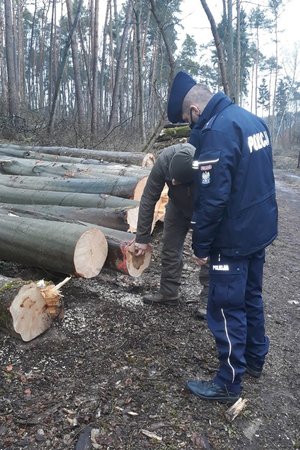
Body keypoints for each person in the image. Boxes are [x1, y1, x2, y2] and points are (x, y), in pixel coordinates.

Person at [167, 71, 278, 403]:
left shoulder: (217, 132)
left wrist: (201, 244)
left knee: (226, 308)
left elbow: (213, 198)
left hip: (233, 238)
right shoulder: (251, 120)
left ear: (195, 111)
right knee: (251, 297)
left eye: (188, 121)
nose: (191, 128)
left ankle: (229, 382)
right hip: (258, 231)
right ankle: (255, 359)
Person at [134, 142, 199, 306]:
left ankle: (209, 300)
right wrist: (142, 237)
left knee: (209, 252)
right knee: (170, 247)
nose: (174, 182)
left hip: (201, 206)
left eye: (179, 181)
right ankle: (169, 293)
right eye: (173, 179)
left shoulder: (206, 163)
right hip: (176, 206)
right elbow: (149, 198)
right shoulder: (164, 161)